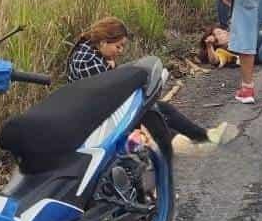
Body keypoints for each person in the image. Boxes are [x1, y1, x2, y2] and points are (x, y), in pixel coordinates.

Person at [67, 17, 231, 145]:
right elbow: (107, 96)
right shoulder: (87, 61)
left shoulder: (93, 49)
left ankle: (202, 137)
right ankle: (196, 141)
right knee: (153, 116)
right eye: (118, 46)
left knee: (160, 109)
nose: (120, 51)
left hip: (102, 111)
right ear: (104, 41)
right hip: (95, 121)